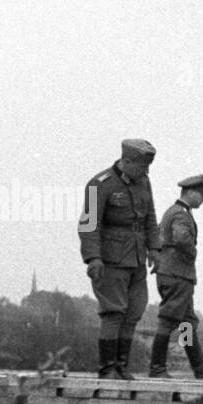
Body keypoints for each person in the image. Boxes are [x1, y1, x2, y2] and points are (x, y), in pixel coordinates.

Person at [79, 139, 160, 379]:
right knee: (113, 312)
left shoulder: (143, 181)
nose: (145, 172)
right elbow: (88, 226)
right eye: (141, 166)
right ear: (125, 162)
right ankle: (108, 368)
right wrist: (93, 258)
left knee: (134, 311)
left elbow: (150, 217)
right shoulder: (99, 185)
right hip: (111, 260)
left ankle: (121, 366)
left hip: (137, 259)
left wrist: (155, 248)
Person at [149, 174, 203, 379]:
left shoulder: (173, 212)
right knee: (167, 320)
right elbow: (181, 238)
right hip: (177, 274)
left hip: (173, 273)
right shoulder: (181, 214)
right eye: (201, 194)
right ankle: (157, 369)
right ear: (190, 193)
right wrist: (192, 254)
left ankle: (200, 368)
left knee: (187, 323)